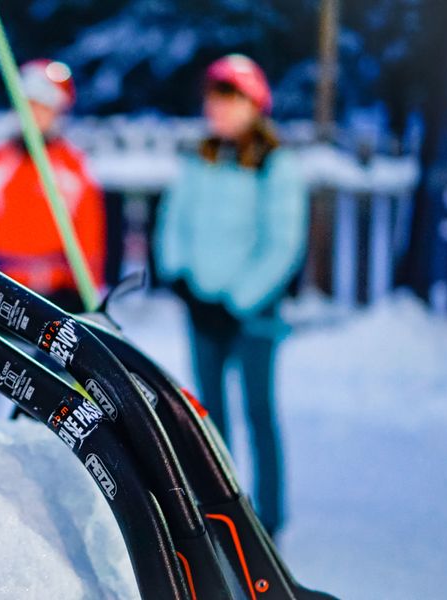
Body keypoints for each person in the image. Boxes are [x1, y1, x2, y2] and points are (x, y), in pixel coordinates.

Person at [154, 54, 308, 537]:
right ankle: (220, 508)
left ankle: (269, 518)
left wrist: (237, 300)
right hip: (202, 306)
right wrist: (181, 278)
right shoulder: (199, 159)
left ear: (254, 105)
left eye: (230, 99)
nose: (218, 109)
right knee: (207, 415)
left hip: (252, 312)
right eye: (214, 99)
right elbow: (174, 222)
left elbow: (283, 243)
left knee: (258, 410)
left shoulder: (274, 165)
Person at [0, 59, 106, 314]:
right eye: (28, 106)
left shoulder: (72, 167)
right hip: (1, 291)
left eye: (43, 107)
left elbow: (90, 237)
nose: (34, 115)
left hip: (59, 295)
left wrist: (90, 293)